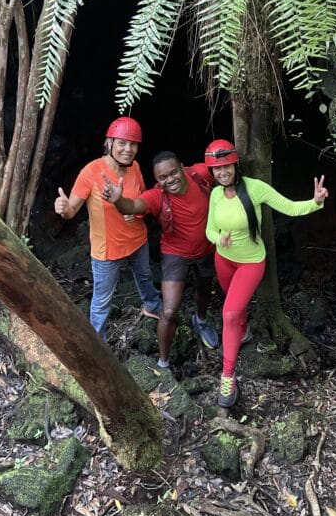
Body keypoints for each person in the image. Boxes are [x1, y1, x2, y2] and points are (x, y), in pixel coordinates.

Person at [204, 139, 328, 408]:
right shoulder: (215, 195)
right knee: (235, 312)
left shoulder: (254, 188)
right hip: (223, 260)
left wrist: (315, 202)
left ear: (235, 165)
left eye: (226, 167)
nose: (222, 173)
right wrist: (218, 239)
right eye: (216, 169)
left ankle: (227, 375)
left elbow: (290, 207)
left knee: (229, 313)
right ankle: (244, 331)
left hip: (250, 263)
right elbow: (209, 230)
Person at [101, 150, 219, 367]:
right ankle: (163, 363)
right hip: (175, 253)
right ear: (156, 180)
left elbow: (224, 174)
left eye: (173, 173)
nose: (169, 180)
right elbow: (134, 206)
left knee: (204, 288)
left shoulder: (200, 173)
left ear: (182, 168)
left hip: (207, 248)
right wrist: (119, 201)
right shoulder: (157, 196)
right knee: (168, 310)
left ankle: (200, 320)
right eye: (162, 178)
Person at [54, 117, 161, 339]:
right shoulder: (91, 171)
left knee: (144, 276)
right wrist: (63, 208)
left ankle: (153, 306)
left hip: (137, 239)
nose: (128, 149)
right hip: (107, 250)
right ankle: (97, 346)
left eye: (133, 144)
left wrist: (135, 210)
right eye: (122, 143)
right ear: (109, 143)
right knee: (102, 301)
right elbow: (71, 210)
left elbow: (141, 198)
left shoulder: (136, 168)